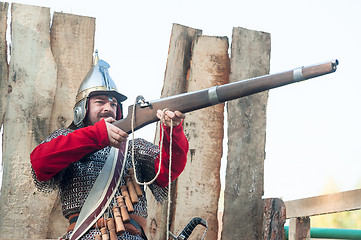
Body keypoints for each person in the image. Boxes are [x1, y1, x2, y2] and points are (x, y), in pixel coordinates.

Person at [30, 54, 189, 240]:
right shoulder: (67, 140)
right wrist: (97, 135)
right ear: (83, 108)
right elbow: (40, 162)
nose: (108, 108)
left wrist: (172, 131)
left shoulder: (134, 149)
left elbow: (167, 171)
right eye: (100, 102)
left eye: (113, 104)